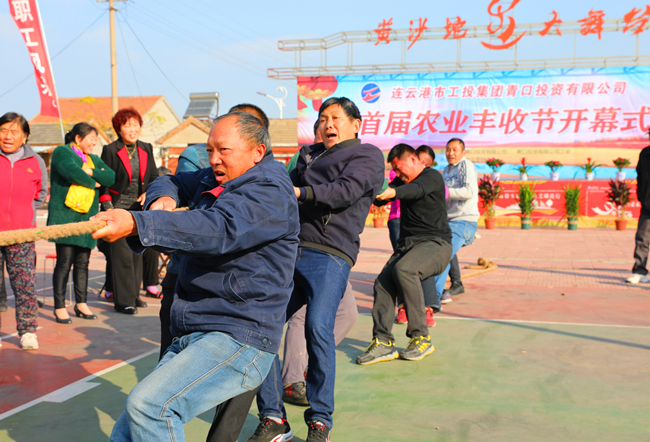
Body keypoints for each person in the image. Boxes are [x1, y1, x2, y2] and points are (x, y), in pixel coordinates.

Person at [92, 111, 299, 442]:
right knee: (130, 426)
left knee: (150, 407)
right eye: (210, 150)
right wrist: (163, 197)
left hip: (239, 332)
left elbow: (218, 230)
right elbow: (171, 180)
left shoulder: (270, 190)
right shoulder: (218, 177)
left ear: (257, 152)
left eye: (224, 150)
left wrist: (137, 223)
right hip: (197, 326)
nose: (214, 159)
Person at [247, 97, 385, 442]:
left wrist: (299, 192)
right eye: (322, 118)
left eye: (335, 117)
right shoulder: (307, 155)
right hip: (288, 249)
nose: (327, 124)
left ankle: (320, 421)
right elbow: (278, 191)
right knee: (260, 326)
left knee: (318, 326)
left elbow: (345, 190)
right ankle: (273, 417)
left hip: (330, 251)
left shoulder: (367, 154)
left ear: (355, 124)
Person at [280, 119, 359, 407]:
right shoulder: (301, 160)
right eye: (323, 124)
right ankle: (291, 381)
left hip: (333, 253)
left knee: (348, 313)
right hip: (303, 247)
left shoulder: (351, 160)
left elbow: (355, 190)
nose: (329, 129)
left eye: (334, 123)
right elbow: (286, 194)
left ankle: (307, 365)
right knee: (303, 315)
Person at [357, 143, 452, 365]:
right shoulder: (402, 181)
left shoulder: (431, 177)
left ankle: (421, 337)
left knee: (405, 270)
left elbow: (415, 190)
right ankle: (383, 342)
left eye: (399, 169)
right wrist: (371, 186)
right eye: (394, 171)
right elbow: (382, 197)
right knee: (383, 282)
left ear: (413, 160)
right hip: (408, 246)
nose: (398, 174)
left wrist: (393, 191)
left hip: (436, 244)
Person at [47, 123, 115, 323]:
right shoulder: (62, 152)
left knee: (83, 263)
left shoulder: (93, 159)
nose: (94, 143)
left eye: (95, 139)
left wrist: (92, 172)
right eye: (91, 138)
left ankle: (81, 303)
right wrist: (94, 182)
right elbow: (72, 172)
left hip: (87, 219)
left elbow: (110, 176)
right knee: (64, 262)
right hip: (66, 217)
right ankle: (59, 306)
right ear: (78, 138)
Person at [99, 107, 159, 314]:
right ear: (119, 129)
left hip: (139, 211)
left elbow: (154, 177)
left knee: (136, 254)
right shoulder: (110, 150)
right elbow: (104, 183)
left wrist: (149, 193)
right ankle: (124, 302)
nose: (133, 129)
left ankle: (134, 295)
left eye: (136, 125)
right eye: (127, 125)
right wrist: (108, 209)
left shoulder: (146, 148)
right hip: (117, 209)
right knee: (122, 257)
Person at [0, 112, 48, 350]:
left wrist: (23, 214)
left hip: (22, 235)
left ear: (25, 136)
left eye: (14, 131)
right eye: (3, 130)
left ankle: (28, 331)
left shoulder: (36, 161)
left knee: (25, 284)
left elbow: (41, 194)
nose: (7, 136)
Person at [436, 138, 479, 304]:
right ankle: (455, 283)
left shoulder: (466, 165)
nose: (450, 153)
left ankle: (435, 294)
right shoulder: (446, 170)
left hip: (464, 219)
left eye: (455, 149)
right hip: (449, 220)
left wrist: (444, 191)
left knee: (443, 252)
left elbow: (469, 191)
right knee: (440, 248)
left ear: (463, 152)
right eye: (448, 149)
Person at [627, 128, 650, 284]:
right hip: (648, 205)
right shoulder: (645, 154)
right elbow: (640, 177)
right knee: (642, 239)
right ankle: (639, 272)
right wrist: (642, 196)